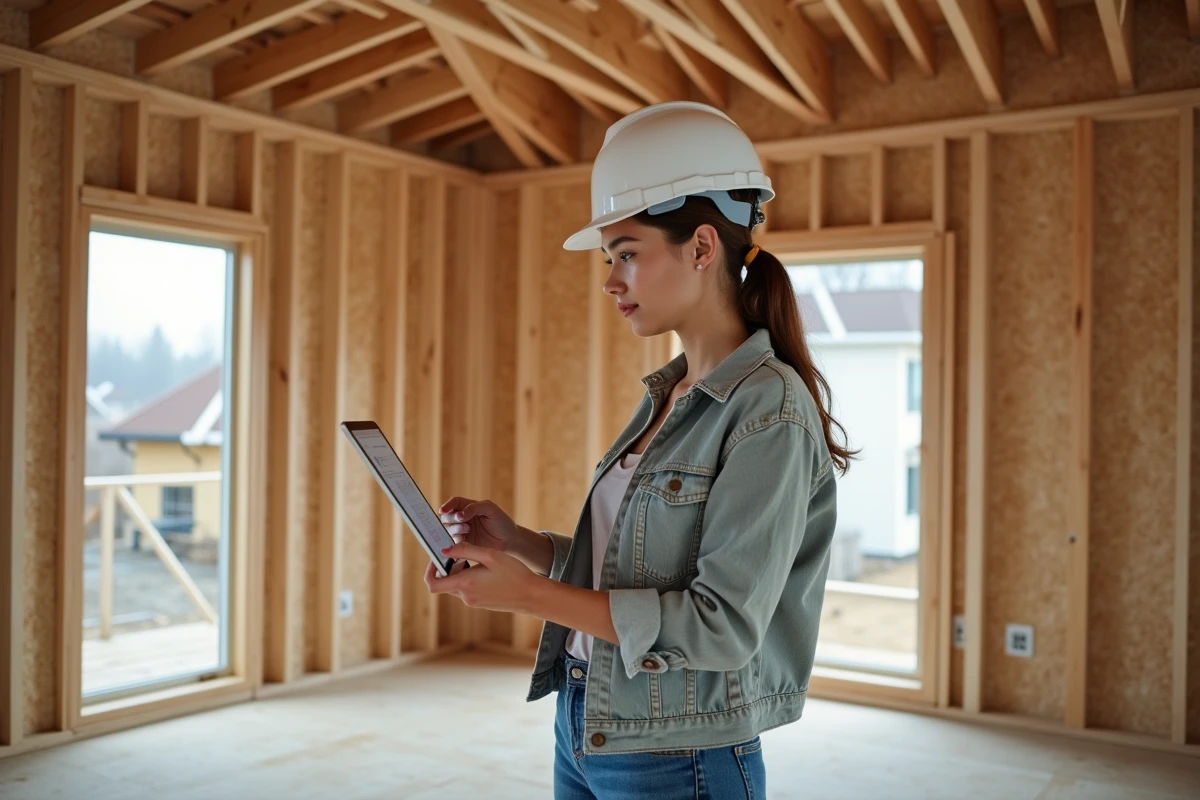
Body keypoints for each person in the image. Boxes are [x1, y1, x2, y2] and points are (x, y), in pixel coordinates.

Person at [426, 101, 855, 799]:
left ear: (702, 247)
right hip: (588, 719)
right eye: (609, 259)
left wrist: (530, 596)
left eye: (627, 254)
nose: (610, 280)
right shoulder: (669, 393)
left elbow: (721, 626)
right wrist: (523, 546)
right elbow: (638, 570)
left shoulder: (767, 410)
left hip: (680, 751)